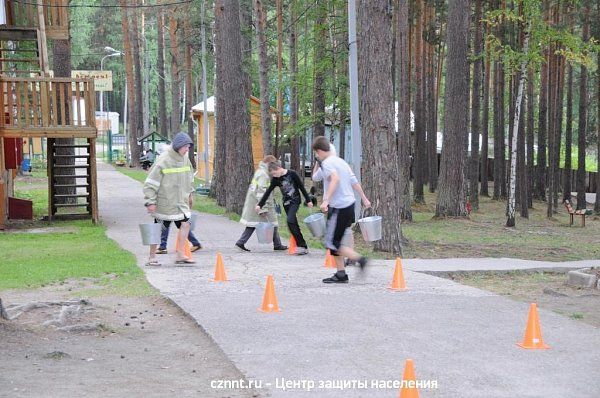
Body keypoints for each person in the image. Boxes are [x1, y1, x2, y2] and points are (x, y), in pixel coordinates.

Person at [312, 136, 371, 283]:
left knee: (332, 242)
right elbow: (353, 181)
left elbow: (335, 179)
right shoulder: (342, 162)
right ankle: (340, 274)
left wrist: (325, 200)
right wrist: (363, 198)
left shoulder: (327, 163)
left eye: (316, 153)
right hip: (349, 205)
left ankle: (360, 260)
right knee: (335, 241)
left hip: (339, 207)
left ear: (319, 151)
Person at [143, 132, 196, 265]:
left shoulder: (185, 159)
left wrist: (190, 194)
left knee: (186, 224)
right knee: (158, 229)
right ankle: (151, 257)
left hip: (180, 203)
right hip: (165, 203)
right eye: (186, 147)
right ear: (179, 146)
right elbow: (150, 183)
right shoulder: (163, 160)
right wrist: (150, 202)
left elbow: (190, 178)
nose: (187, 150)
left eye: (189, 148)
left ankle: (180, 254)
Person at [256, 161, 313, 255]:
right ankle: (303, 246)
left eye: (274, 173)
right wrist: (260, 205)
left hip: (295, 201)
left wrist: (308, 200)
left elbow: (301, 187)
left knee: (290, 220)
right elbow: (268, 192)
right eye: (272, 174)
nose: (274, 175)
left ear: (278, 168)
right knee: (292, 224)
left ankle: (302, 245)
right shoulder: (275, 179)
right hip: (286, 203)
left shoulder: (292, 174)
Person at [236, 155, 287, 252]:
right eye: (272, 164)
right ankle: (240, 242)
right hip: (259, 204)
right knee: (260, 224)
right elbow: (261, 191)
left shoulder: (260, 171)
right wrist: (263, 208)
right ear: (268, 163)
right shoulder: (264, 175)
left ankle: (277, 244)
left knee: (269, 223)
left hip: (255, 203)